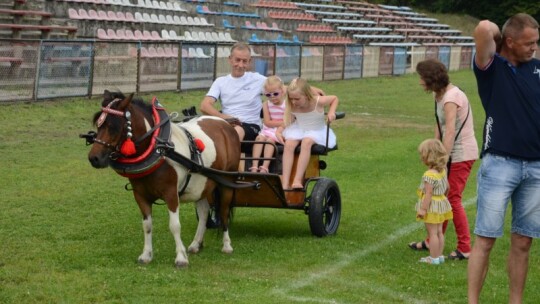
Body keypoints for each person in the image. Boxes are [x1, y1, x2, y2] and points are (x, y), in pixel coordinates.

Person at [468, 13, 540, 304]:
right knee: (485, 240)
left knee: (523, 242)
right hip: (500, 164)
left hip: (536, 167)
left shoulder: (536, 69)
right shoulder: (491, 67)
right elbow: (484, 28)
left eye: (537, 43)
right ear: (509, 41)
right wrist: (499, 44)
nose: (534, 48)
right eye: (528, 43)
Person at [408, 59, 478, 261]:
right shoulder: (438, 95)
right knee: (442, 197)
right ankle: (433, 241)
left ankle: (465, 248)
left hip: (461, 153)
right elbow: (439, 127)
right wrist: (433, 152)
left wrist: (442, 164)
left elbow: (450, 131)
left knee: (452, 198)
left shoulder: (451, 97)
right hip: (448, 153)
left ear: (431, 79)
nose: (420, 82)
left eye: (422, 78)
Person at [276, 78, 338, 190]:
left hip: (316, 130)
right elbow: (288, 121)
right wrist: (279, 130)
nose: (294, 101)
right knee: (289, 144)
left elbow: (334, 98)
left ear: (306, 95)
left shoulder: (317, 101)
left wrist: (331, 112)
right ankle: (285, 182)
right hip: (299, 129)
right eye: (291, 99)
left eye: (297, 99)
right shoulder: (292, 104)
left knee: (307, 141)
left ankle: (297, 180)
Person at [200, 42, 266, 141]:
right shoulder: (220, 82)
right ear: (230, 59)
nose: (240, 65)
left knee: (237, 130)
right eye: (237, 60)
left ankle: (230, 156)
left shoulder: (258, 79)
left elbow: (282, 89)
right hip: (227, 124)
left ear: (249, 61)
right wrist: (223, 117)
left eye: (244, 61)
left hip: (251, 126)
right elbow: (204, 106)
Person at [415, 139, 453, 265]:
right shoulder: (443, 170)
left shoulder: (429, 175)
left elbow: (428, 194)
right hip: (441, 203)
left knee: (432, 233)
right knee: (439, 231)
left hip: (432, 206)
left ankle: (433, 258)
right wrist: (443, 199)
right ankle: (439, 255)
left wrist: (423, 209)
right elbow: (447, 187)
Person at [249, 76, 286, 173]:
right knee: (259, 139)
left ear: (282, 91)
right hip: (267, 129)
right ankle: (254, 166)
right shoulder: (266, 104)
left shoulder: (286, 105)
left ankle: (265, 167)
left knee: (270, 141)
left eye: (275, 94)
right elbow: (267, 122)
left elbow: (288, 122)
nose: (272, 97)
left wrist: (282, 124)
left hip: (281, 131)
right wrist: (282, 123)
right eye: (268, 95)